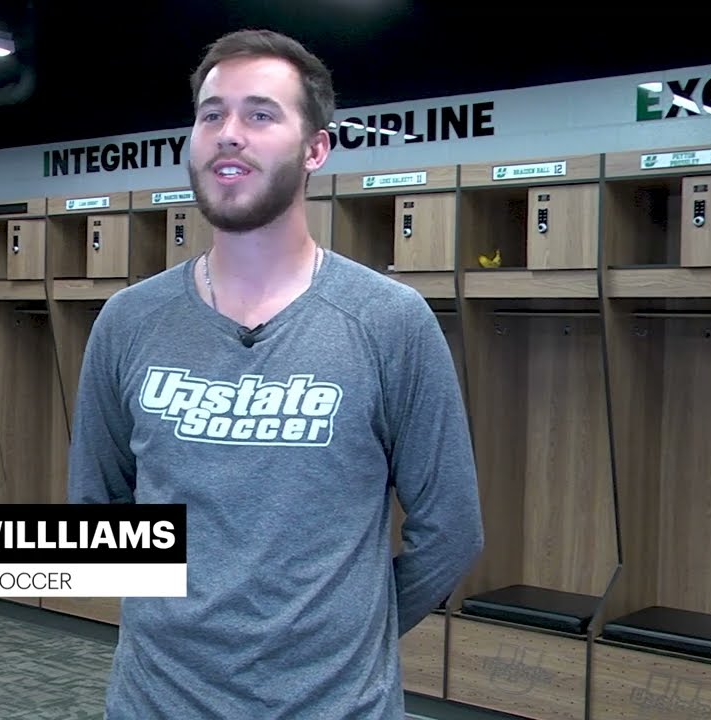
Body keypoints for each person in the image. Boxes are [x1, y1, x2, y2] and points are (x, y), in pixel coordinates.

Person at [67, 28, 484, 720]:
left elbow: (451, 531)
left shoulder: (389, 321)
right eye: (211, 114)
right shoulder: (128, 321)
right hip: (155, 705)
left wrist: (347, 636)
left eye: (261, 114)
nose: (229, 133)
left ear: (315, 148)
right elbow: (97, 512)